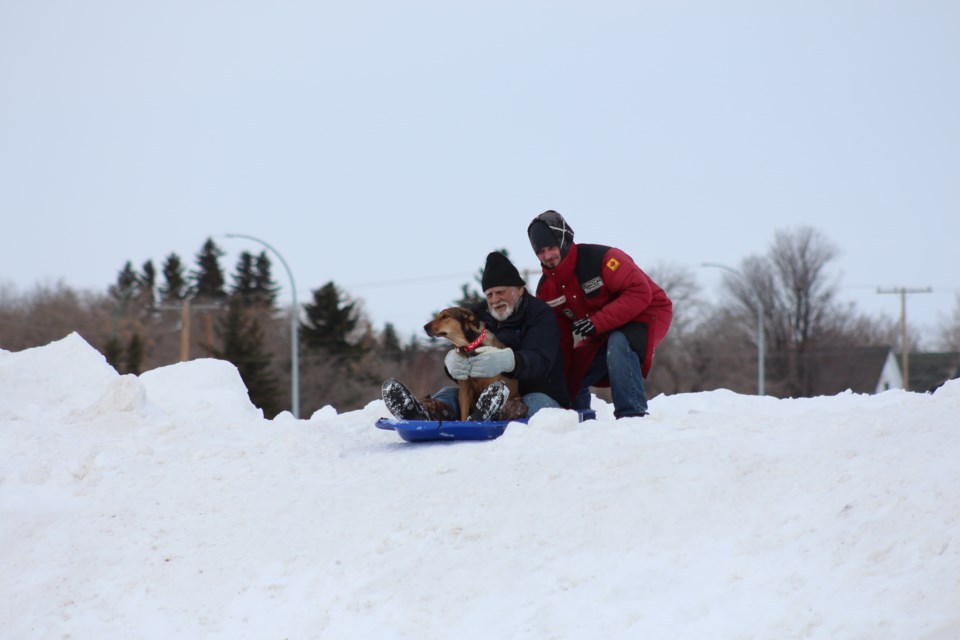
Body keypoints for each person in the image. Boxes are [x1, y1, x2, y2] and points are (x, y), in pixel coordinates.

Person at [382, 251, 570, 421]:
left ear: (519, 289)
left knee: (523, 404)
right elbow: (464, 353)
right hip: (484, 392)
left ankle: (490, 414)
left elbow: (542, 360)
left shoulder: (540, 314)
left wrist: (511, 361)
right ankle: (422, 412)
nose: (495, 300)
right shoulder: (476, 315)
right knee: (449, 394)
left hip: (538, 392)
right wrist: (451, 366)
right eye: (489, 294)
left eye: (500, 292)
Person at [527, 210, 673, 418]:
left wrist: (597, 322)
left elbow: (640, 293)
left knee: (619, 341)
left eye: (551, 247)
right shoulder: (546, 290)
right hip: (601, 328)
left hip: (647, 312)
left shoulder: (603, 259)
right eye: (540, 252)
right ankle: (579, 420)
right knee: (575, 367)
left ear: (564, 241)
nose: (547, 256)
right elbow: (559, 342)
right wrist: (560, 384)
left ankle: (632, 415)